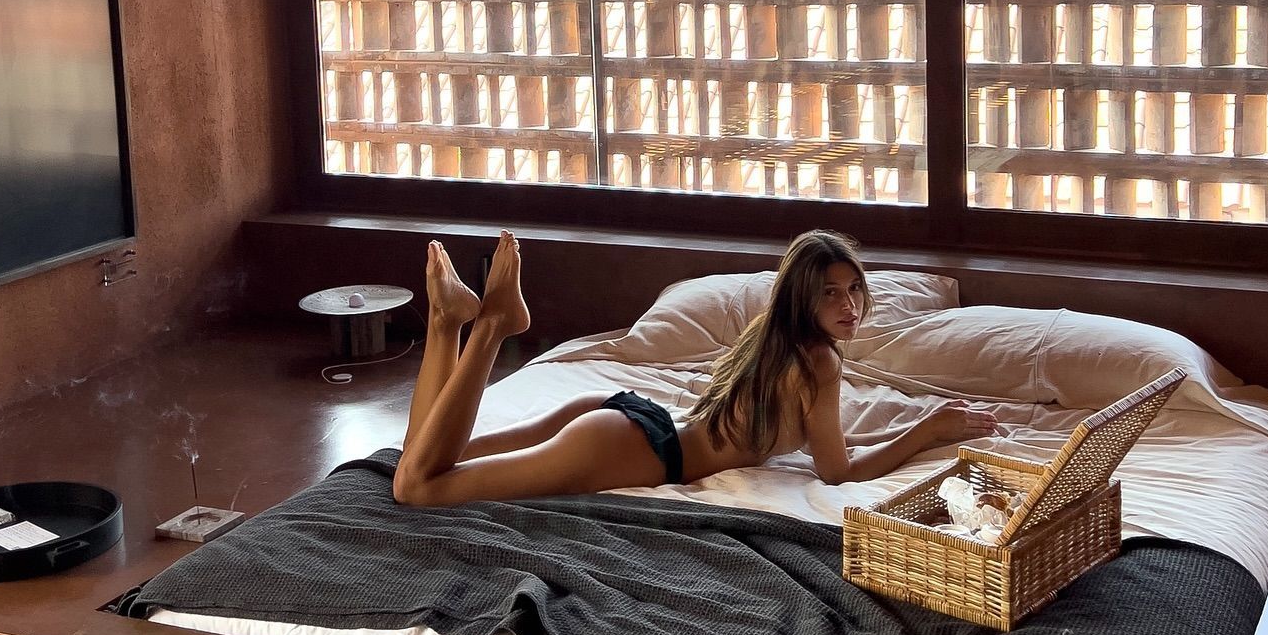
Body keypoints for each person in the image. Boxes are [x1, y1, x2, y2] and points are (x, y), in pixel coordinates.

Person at [392, 228, 998, 508]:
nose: (849, 306)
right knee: (419, 488)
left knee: (423, 454)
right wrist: (928, 430)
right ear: (802, 299)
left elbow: (826, 444)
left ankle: (446, 324)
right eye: (830, 293)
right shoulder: (818, 362)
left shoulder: (772, 339)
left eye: (854, 290)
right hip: (636, 446)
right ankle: (493, 327)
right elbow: (837, 473)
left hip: (621, 417)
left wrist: (906, 430)